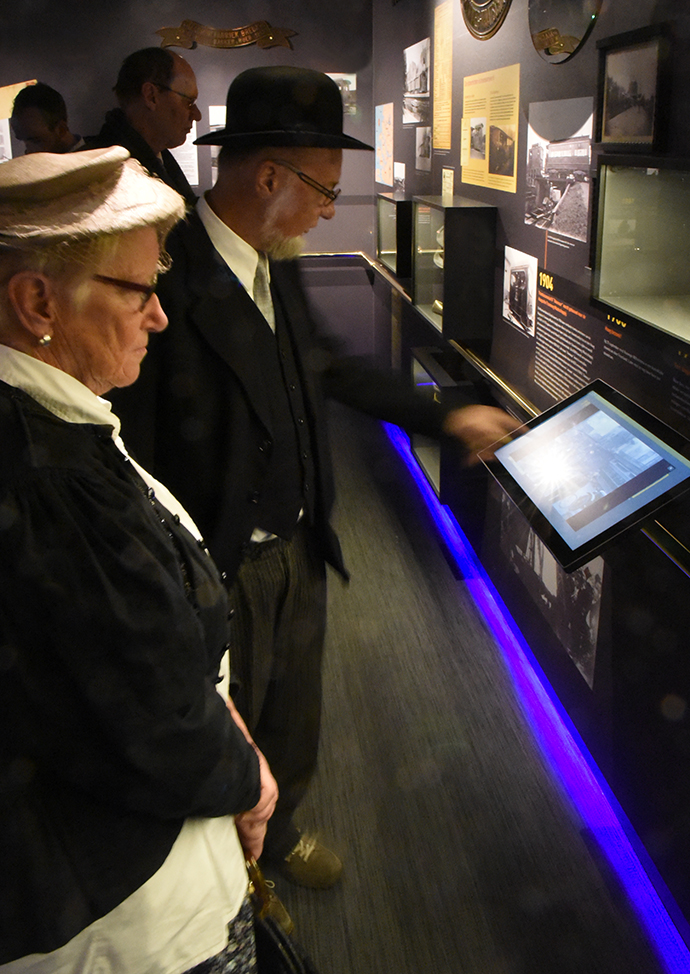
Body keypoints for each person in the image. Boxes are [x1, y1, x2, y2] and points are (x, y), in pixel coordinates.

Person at [111, 65, 519, 892]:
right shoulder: (164, 278)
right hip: (215, 566)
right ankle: (234, 886)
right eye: (324, 192)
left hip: (298, 545)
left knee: (293, 719)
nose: (329, 211)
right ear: (269, 177)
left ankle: (281, 830)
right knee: (224, 736)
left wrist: (444, 417)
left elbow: (325, 366)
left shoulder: (273, 259)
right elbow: (136, 451)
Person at [0, 146, 279, 971]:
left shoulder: (50, 425)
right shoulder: (44, 479)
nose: (159, 316)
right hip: (130, 916)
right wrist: (250, 781)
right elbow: (153, 722)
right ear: (37, 300)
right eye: (141, 290)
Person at [85, 47, 200, 204]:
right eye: (189, 102)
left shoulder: (158, 158)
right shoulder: (103, 176)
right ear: (151, 96)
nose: (197, 115)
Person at [10, 82, 84, 154]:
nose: (28, 152)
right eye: (24, 141)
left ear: (61, 130)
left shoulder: (93, 160)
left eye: (36, 141)